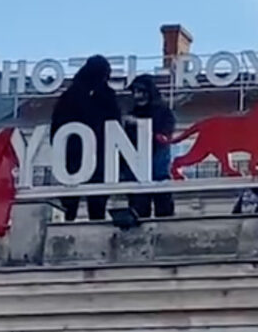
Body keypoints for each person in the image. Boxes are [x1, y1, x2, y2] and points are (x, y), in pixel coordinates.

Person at [51, 55, 121, 221]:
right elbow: (116, 124)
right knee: (92, 200)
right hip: (91, 154)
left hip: (78, 153)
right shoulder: (105, 96)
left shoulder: (71, 95)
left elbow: (56, 126)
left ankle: (67, 225)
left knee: (74, 200)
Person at [123, 74, 176, 218]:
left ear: (149, 92)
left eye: (140, 91)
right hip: (139, 165)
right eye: (135, 92)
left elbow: (164, 135)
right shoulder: (133, 114)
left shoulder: (163, 112)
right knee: (140, 206)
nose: (137, 95)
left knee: (161, 201)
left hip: (155, 162)